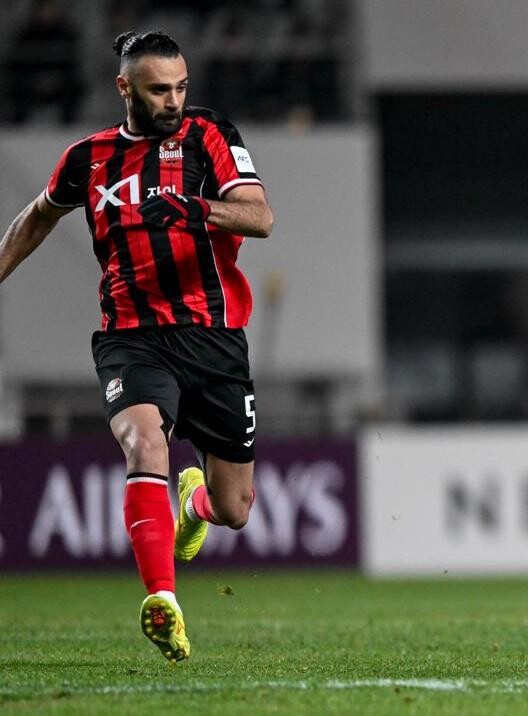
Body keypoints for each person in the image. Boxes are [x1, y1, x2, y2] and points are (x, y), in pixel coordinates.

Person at [0, 30, 274, 662]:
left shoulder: (209, 135)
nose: (173, 100)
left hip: (214, 338)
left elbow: (260, 217)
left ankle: (195, 504)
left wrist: (192, 209)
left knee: (235, 508)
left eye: (181, 87)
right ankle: (163, 601)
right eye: (159, 90)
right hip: (131, 336)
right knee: (144, 442)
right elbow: (38, 215)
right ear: (124, 87)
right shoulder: (88, 158)